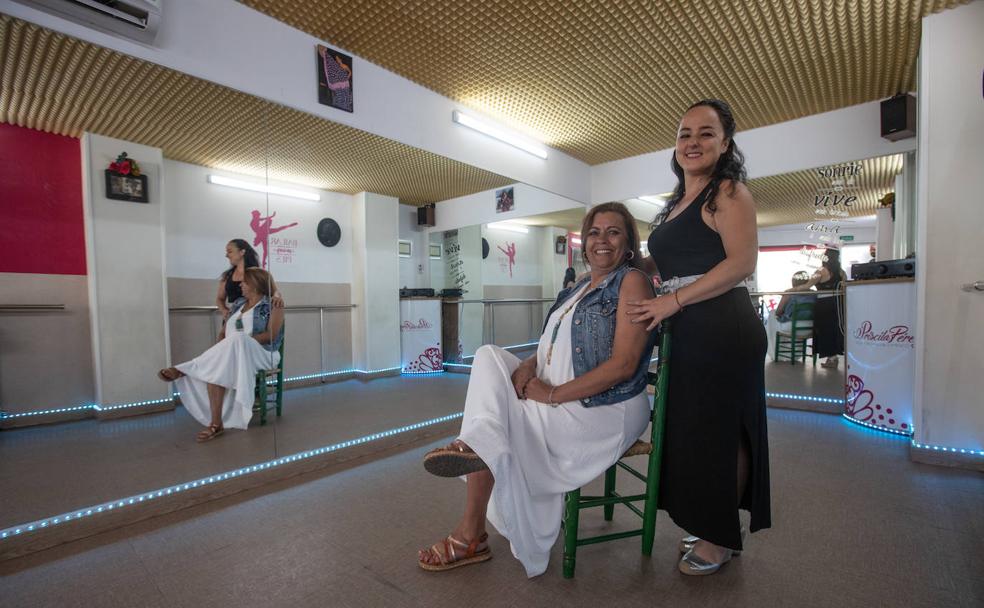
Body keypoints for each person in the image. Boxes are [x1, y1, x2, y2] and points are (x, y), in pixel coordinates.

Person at [417, 202, 658, 577]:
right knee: (488, 358)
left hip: (603, 409)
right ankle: (479, 458)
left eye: (613, 232)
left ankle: (471, 527)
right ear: (585, 243)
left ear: (628, 243)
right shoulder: (578, 287)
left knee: (496, 422)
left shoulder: (631, 281)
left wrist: (550, 395)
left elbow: (625, 365)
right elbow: (551, 341)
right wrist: (529, 366)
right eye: (594, 232)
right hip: (552, 392)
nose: (601, 240)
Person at [625, 99, 770, 576]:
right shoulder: (675, 204)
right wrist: (624, 272)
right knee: (693, 433)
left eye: (705, 133)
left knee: (722, 432)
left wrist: (674, 301)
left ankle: (721, 535)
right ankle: (711, 518)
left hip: (723, 325)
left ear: (725, 143)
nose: (692, 142)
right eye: (685, 133)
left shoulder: (728, 192)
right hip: (687, 327)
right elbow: (667, 261)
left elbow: (740, 263)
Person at [159, 268, 285, 442]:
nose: (240, 285)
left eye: (244, 282)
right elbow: (223, 332)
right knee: (217, 367)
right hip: (233, 352)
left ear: (255, 285)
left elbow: (270, 334)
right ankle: (215, 424)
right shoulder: (238, 304)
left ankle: (184, 369)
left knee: (238, 339)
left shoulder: (273, 304)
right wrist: (225, 347)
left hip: (261, 353)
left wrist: (241, 343)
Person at [216, 239, 283, 319]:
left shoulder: (259, 274)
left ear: (242, 252)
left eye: (230, 251)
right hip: (233, 318)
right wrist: (224, 310)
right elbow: (220, 298)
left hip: (255, 318)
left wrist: (277, 297)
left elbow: (275, 292)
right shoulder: (227, 276)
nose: (226, 255)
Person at [805, 248, 846, 368]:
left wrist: (792, 290)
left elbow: (807, 285)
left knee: (824, 329)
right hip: (837, 303)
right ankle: (833, 358)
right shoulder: (841, 272)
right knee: (834, 330)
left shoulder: (820, 271)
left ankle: (832, 358)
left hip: (824, 303)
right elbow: (844, 289)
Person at [767, 271, 817, 360]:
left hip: (791, 327)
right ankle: (796, 354)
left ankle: (776, 353)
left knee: (772, 315)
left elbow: (778, 312)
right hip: (811, 327)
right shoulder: (814, 294)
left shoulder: (789, 293)